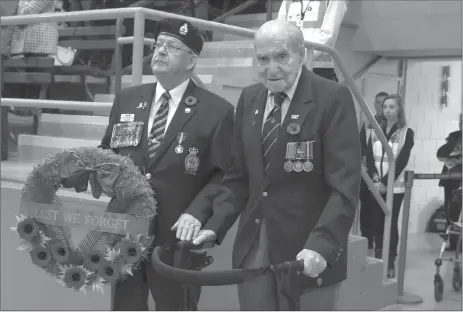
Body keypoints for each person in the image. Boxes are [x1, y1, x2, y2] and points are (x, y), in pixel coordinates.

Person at [179, 20, 361, 310]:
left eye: (281, 57)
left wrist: (321, 245)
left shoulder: (332, 98)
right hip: (254, 250)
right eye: (262, 59)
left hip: (306, 254)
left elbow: (345, 188)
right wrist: (215, 226)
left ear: (301, 55)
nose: (271, 68)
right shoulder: (250, 97)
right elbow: (239, 176)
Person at [99, 18, 235, 311]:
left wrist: (197, 213)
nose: (159, 51)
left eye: (171, 47)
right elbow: (108, 152)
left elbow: (224, 174)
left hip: (175, 239)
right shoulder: (127, 99)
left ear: (192, 61)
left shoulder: (217, 111)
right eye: (157, 45)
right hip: (128, 231)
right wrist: (94, 171)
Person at [365, 94, 414, 279]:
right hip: (376, 185)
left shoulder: (406, 132)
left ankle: (390, 260)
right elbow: (369, 157)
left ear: (399, 109)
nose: (387, 110)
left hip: (395, 188)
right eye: (385, 106)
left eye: (392, 107)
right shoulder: (374, 128)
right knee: (376, 223)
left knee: (390, 223)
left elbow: (401, 160)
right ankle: (379, 259)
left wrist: (386, 182)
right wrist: (376, 180)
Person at [277, 0, 347, 81]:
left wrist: (298, 59)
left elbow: (328, 36)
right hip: (290, 70)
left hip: (319, 69)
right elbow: (279, 30)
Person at [358, 91, 388, 249]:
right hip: (367, 174)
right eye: (377, 102)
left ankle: (381, 248)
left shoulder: (393, 125)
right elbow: (360, 145)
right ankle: (367, 244)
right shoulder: (367, 123)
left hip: (384, 176)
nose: (380, 106)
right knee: (366, 210)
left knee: (381, 213)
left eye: (383, 103)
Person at [437, 113, 462, 251]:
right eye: (461, 122)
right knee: (450, 209)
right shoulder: (454, 137)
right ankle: (453, 242)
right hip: (451, 178)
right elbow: (441, 154)